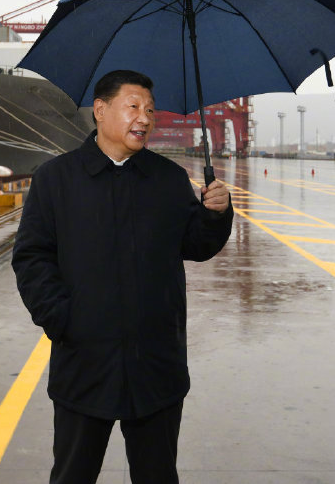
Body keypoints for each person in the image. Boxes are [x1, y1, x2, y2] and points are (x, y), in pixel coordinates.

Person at [12, 69, 233, 484]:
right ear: (100, 110)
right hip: (85, 364)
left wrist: (216, 214)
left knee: (158, 476)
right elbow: (31, 257)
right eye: (133, 106)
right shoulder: (55, 179)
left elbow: (197, 246)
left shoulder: (168, 179)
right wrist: (63, 319)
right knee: (72, 475)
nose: (144, 118)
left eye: (150, 110)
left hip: (156, 365)